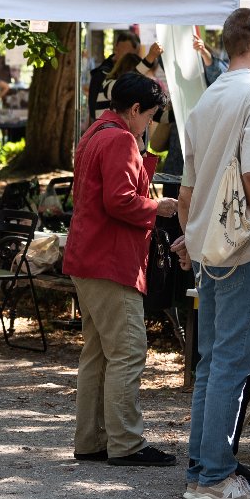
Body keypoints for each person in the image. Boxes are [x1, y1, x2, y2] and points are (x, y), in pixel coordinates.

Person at [177, 7, 250, 499]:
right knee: (232, 363)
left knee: (212, 363)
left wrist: (194, 238)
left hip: (210, 248)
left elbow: (188, 190)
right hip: (247, 248)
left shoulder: (209, 97)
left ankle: (203, 470)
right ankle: (216, 477)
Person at [66, 72, 180, 466]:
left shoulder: (97, 131)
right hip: (110, 261)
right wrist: (159, 207)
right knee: (128, 351)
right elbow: (120, 201)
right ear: (135, 109)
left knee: (98, 353)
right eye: (149, 116)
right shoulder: (119, 138)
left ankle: (92, 440)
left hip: (90, 258)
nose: (149, 124)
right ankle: (126, 443)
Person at [88, 30, 141, 116]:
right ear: (116, 49)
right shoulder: (102, 74)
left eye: (134, 56)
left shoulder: (134, 74)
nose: (131, 60)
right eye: (127, 56)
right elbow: (93, 111)